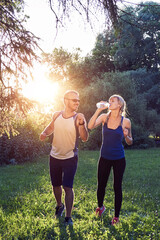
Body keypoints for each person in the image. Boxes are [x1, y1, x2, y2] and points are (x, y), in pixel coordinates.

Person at [40, 90, 88, 225]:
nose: (77, 103)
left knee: (67, 187)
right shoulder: (56, 115)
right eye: (74, 100)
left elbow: (84, 138)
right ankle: (59, 205)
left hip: (70, 157)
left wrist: (82, 124)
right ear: (66, 100)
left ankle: (68, 217)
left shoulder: (77, 117)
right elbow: (50, 128)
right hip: (54, 156)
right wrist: (44, 133)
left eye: (78, 100)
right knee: (56, 185)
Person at [88, 94, 133, 225]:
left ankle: (116, 216)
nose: (110, 102)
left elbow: (130, 141)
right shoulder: (104, 117)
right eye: (109, 100)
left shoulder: (126, 122)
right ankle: (100, 207)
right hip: (104, 157)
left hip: (119, 158)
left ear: (119, 105)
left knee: (117, 186)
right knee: (101, 184)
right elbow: (90, 126)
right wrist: (98, 110)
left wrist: (126, 137)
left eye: (113, 100)